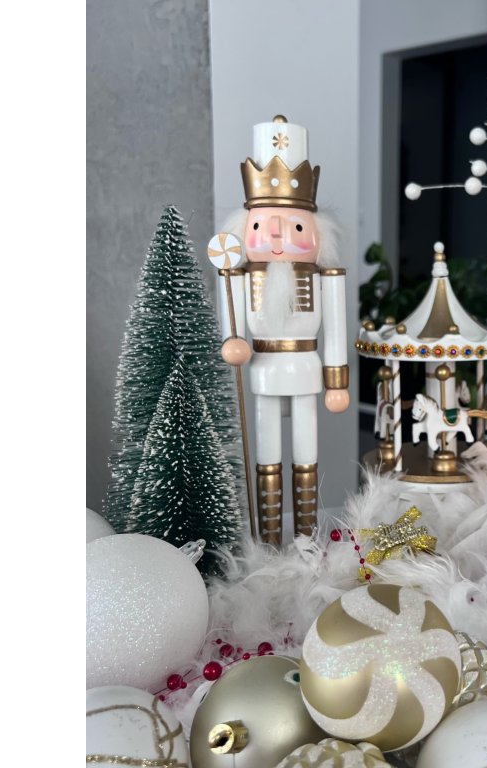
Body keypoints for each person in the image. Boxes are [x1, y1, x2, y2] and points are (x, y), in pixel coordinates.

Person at [212, 115, 348, 545]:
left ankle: (306, 536)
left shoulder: (326, 278)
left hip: (306, 368)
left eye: (296, 228)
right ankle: (269, 540)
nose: (277, 236)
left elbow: (336, 331)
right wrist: (232, 342)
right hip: (264, 369)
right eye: (261, 227)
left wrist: (337, 381)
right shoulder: (238, 278)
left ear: (317, 235)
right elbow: (232, 328)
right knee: (267, 453)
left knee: (306, 453)